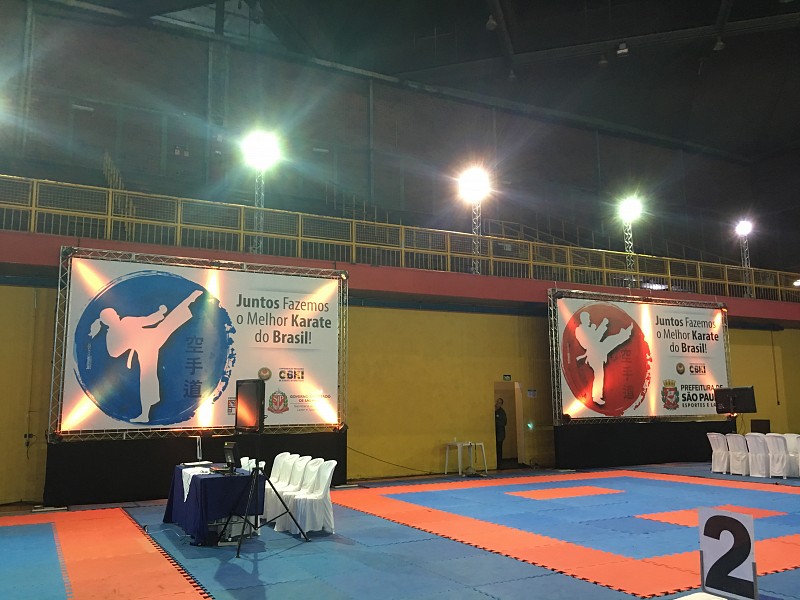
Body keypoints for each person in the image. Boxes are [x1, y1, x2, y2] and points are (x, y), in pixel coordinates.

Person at [89, 289, 204, 423]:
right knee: (147, 378)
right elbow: (113, 353)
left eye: (114, 314)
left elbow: (148, 320)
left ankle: (189, 300)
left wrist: (160, 313)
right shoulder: (113, 334)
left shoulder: (126, 322)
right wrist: (127, 342)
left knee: (166, 325)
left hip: (151, 337)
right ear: (107, 321)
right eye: (112, 316)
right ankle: (145, 414)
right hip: (145, 349)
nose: (116, 316)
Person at [495, 397, 507, 468]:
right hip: (496, 433)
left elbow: (504, 422)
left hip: (500, 433)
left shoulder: (502, 412)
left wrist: (497, 422)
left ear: (501, 404)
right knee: (496, 448)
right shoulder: (494, 411)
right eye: (497, 402)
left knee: (499, 448)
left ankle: (499, 463)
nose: (497, 404)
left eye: (499, 402)